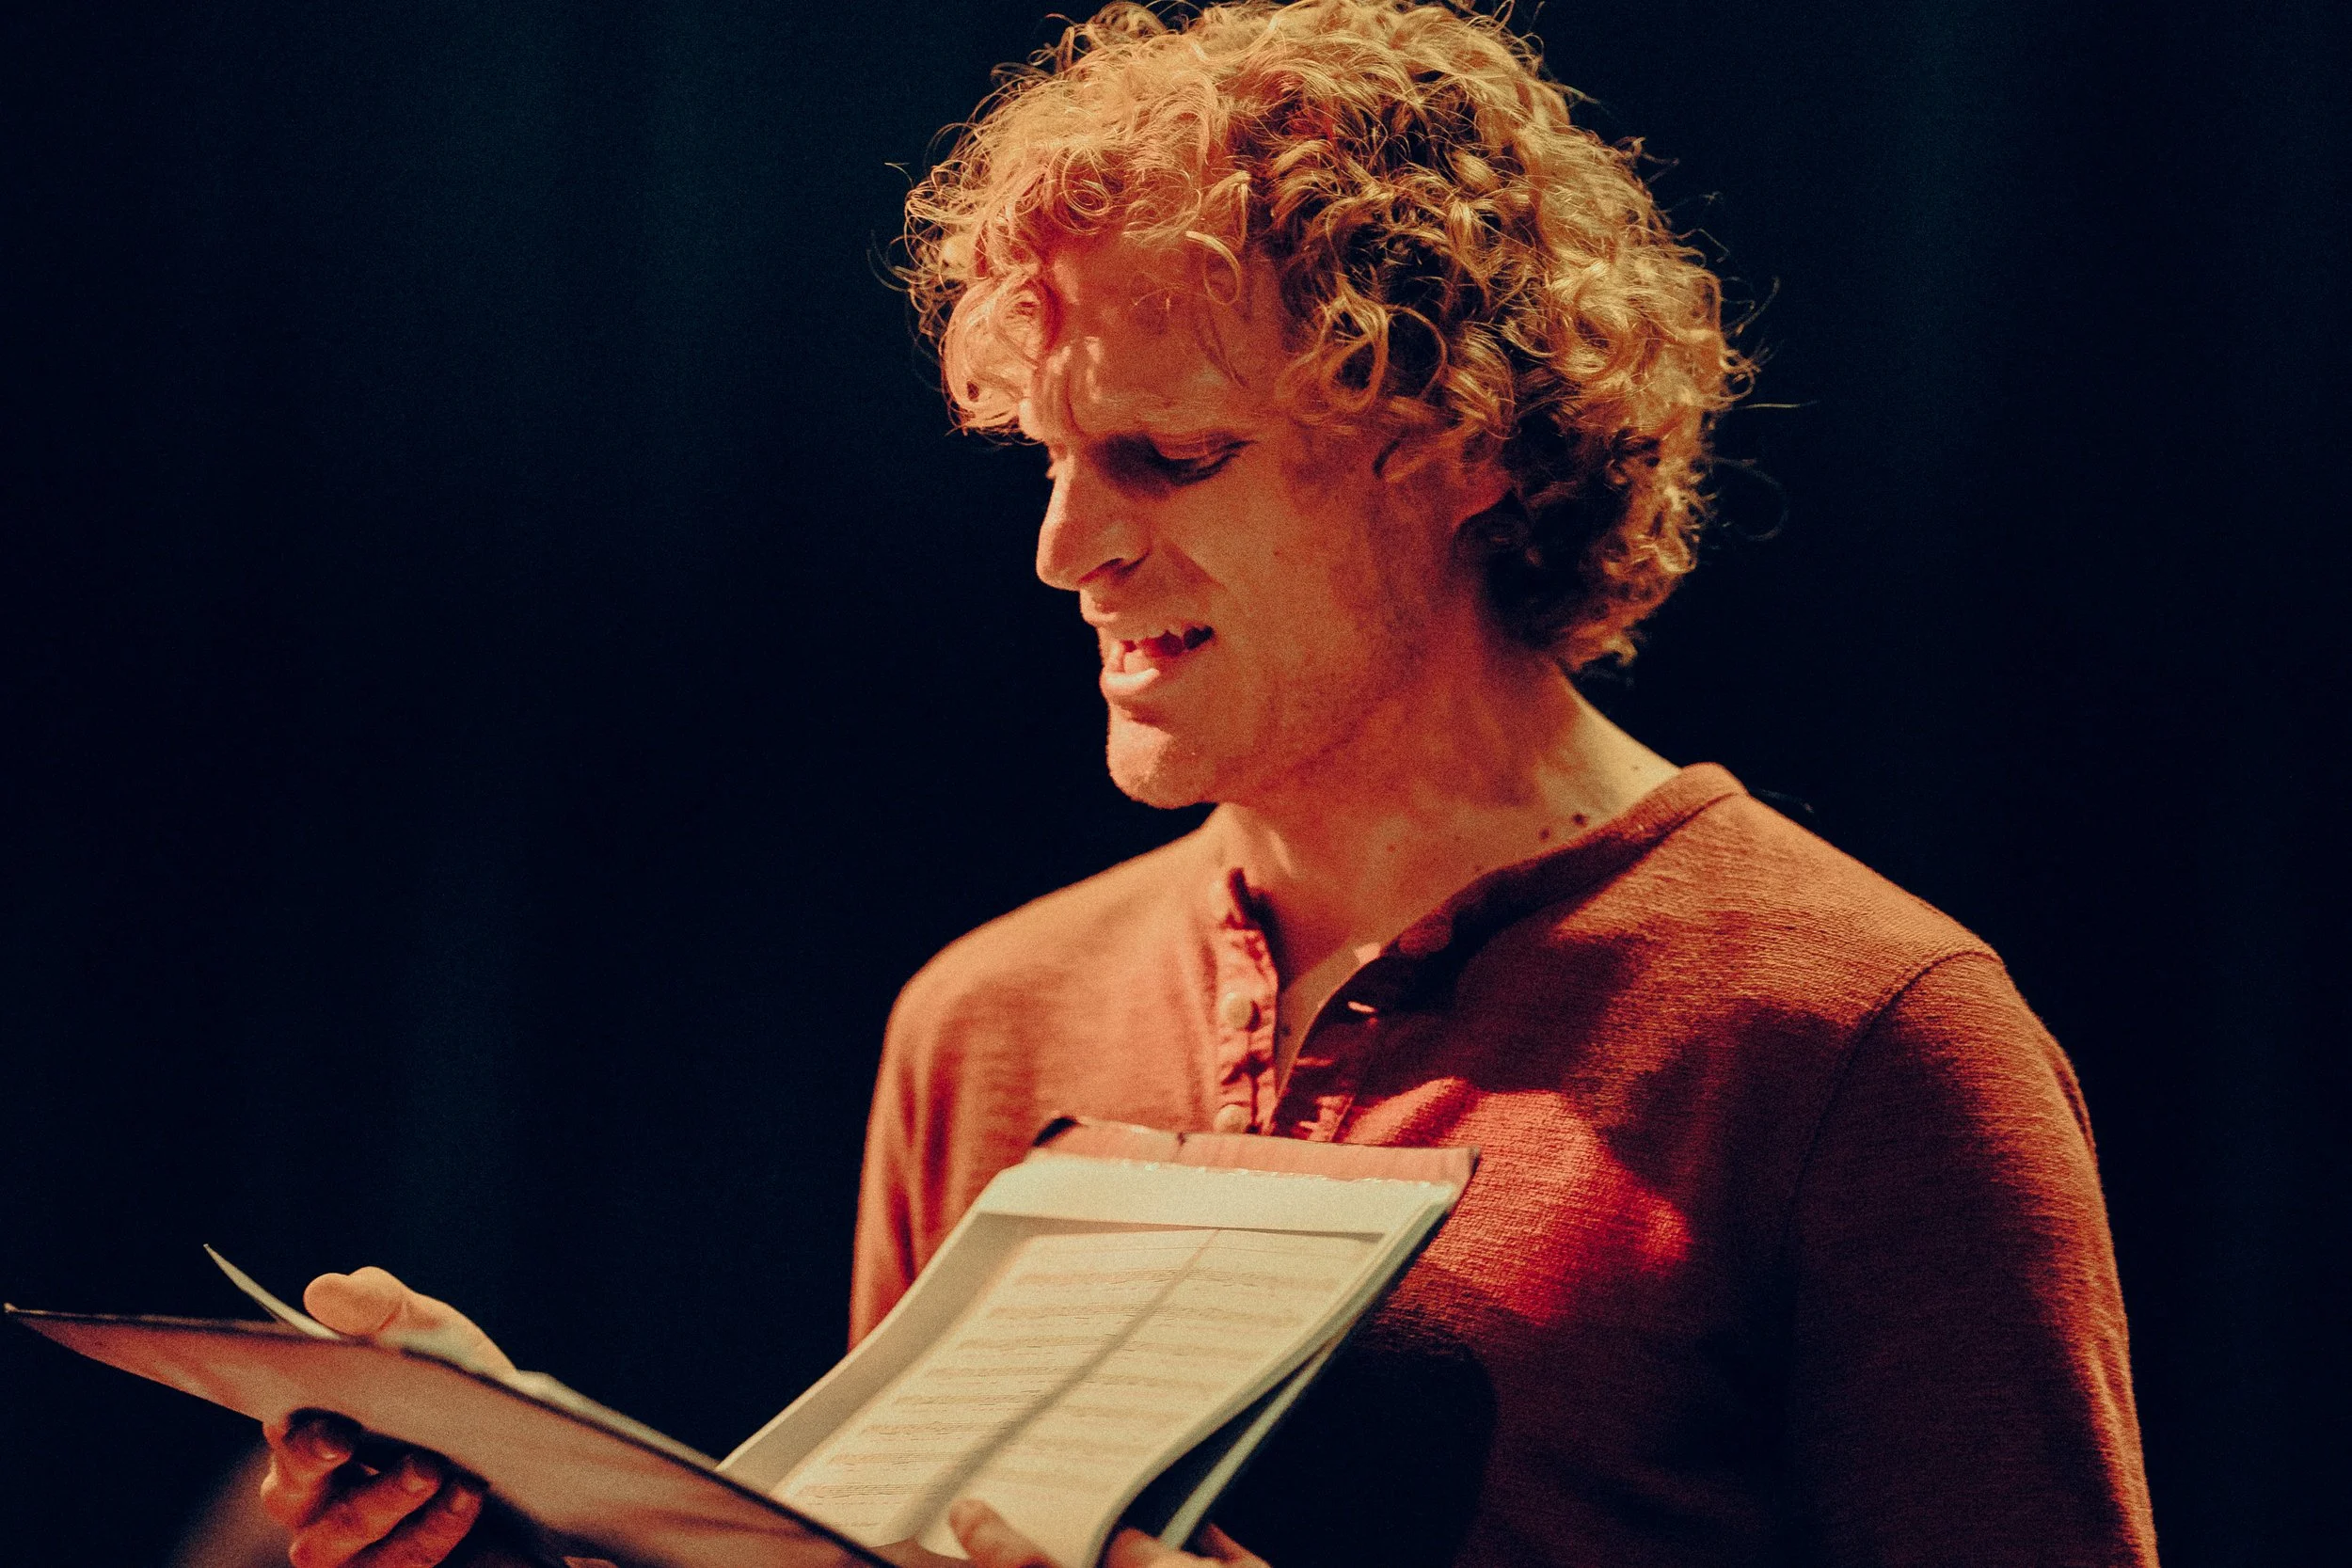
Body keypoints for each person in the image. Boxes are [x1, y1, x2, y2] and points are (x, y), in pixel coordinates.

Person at [259, 2, 2159, 1565]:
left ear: (1464, 442)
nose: (1064, 547)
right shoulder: (988, 1019)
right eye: (1047, 456)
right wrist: (525, 1496)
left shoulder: (1851, 1036)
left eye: (1167, 454)